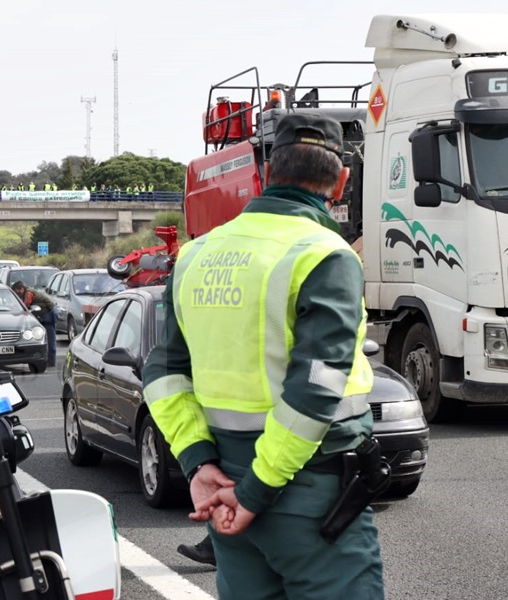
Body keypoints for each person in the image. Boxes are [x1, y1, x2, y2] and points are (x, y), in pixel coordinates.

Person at [143, 114, 383, 598]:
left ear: (268, 173)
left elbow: (163, 374)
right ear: (341, 181)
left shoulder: (195, 255)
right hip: (309, 490)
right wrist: (255, 490)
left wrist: (196, 462)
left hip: (222, 483)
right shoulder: (325, 254)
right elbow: (315, 388)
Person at [10, 281, 56, 368]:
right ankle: (47, 359)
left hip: (48, 313)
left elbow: (26, 306)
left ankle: (51, 360)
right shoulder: (26, 293)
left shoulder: (29, 293)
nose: (17, 294)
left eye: (17, 291)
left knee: (50, 337)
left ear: (22, 289)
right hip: (42, 313)